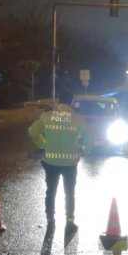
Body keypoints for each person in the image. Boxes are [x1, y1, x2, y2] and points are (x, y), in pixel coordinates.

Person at [28, 90, 94, 232]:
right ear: (71, 102)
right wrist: (83, 150)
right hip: (70, 164)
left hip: (50, 162)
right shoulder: (76, 119)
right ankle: (70, 220)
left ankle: (50, 218)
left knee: (51, 190)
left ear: (58, 102)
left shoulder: (47, 117)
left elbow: (32, 131)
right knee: (69, 192)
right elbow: (89, 136)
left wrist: (43, 144)